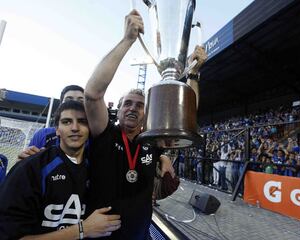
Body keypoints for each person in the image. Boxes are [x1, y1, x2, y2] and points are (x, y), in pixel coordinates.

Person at [84, 9, 207, 239]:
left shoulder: (152, 140)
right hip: (101, 235)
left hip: (141, 234)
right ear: (118, 110)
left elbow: (186, 115)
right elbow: (92, 94)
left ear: (147, 113)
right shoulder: (104, 133)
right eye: (127, 103)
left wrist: (194, 74)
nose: (132, 108)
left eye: (139, 105)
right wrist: (127, 40)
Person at [0, 101, 121, 239]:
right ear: (57, 129)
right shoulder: (30, 168)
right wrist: (82, 230)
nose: (75, 128)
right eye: (67, 122)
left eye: (82, 121)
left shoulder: (98, 171)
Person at [18, 85, 85, 160]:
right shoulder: (43, 134)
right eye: (68, 100)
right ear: (60, 105)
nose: (74, 104)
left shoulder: (94, 137)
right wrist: (22, 164)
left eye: (81, 101)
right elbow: (25, 164)